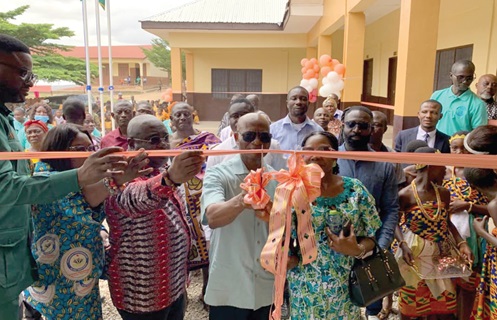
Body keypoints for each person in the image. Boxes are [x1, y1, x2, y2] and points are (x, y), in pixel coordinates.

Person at [0, 33, 129, 319]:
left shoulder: (4, 119)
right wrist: (81, 176)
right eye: (22, 72)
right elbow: (5, 188)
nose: (30, 81)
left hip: (24, 265)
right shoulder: (52, 172)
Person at [23, 124, 150, 320]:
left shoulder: (79, 179)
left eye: (91, 148)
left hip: (80, 273)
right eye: (80, 149)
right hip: (58, 277)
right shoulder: (46, 178)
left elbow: (89, 210)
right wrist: (115, 180)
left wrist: (101, 228)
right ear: (58, 150)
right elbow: (77, 209)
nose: (89, 155)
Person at [105, 115, 204, 320]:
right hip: (142, 296)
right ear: (132, 144)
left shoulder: (161, 171)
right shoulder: (120, 177)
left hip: (173, 285)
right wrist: (171, 179)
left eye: (165, 137)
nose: (163, 144)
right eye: (154, 140)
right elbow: (138, 197)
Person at [287, 131, 381, 319]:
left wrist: (356, 249)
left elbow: (371, 236)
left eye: (324, 150)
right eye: (308, 150)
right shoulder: (293, 191)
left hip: (347, 284)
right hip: (306, 286)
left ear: (336, 156)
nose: (315, 155)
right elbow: (283, 237)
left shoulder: (355, 189)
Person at [201, 113, 277, 320]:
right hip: (229, 288)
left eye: (264, 137)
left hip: (266, 286)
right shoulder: (218, 175)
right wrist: (243, 199)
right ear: (236, 138)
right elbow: (213, 218)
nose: (257, 142)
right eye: (249, 136)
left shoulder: (277, 179)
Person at [336, 106, 399, 319]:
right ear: (342, 125)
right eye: (351, 124)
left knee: (372, 307)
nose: (356, 130)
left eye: (363, 126)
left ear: (371, 129)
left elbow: (390, 208)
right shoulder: (328, 160)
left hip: (372, 248)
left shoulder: (384, 164)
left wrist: (382, 244)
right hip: (335, 248)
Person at [395, 147, 473, 319]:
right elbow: (394, 223)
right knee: (411, 303)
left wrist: (462, 243)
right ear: (429, 165)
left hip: (441, 251)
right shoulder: (405, 195)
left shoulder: (443, 193)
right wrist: (403, 244)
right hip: (414, 252)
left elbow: (446, 222)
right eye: (441, 165)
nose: (445, 169)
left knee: (443, 303)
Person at [169, 102, 220, 305]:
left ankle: (207, 290)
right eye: (177, 115)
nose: (182, 118)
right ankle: (181, 294)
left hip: (202, 199)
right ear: (171, 120)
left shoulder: (207, 138)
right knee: (180, 246)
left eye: (186, 114)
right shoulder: (167, 144)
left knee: (207, 246)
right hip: (178, 199)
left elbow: (218, 161)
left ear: (193, 116)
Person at [441, 131, 489, 320]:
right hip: (449, 233)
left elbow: (490, 207)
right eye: (455, 148)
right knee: (449, 281)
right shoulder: (442, 172)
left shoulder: (480, 173)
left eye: (464, 148)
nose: (459, 153)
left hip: (473, 237)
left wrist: (468, 205)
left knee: (468, 282)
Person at [207, 99, 287, 171]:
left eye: (244, 115)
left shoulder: (272, 146)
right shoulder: (217, 153)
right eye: (235, 116)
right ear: (228, 119)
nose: (239, 120)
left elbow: (283, 178)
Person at [431, 60, 487, 135]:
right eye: (460, 77)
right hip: (435, 143)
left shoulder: (478, 104)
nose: (465, 81)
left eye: (469, 78)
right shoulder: (437, 95)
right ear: (451, 75)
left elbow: (478, 134)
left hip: (459, 146)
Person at [270, 86, 323, 152]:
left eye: (303, 99)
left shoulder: (318, 131)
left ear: (308, 103)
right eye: (294, 98)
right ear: (287, 103)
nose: (298, 102)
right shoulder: (273, 130)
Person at [369, 110, 406, 186]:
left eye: (376, 125)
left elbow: (400, 184)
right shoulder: (356, 152)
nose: (372, 128)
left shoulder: (392, 156)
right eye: (369, 125)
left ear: (385, 129)